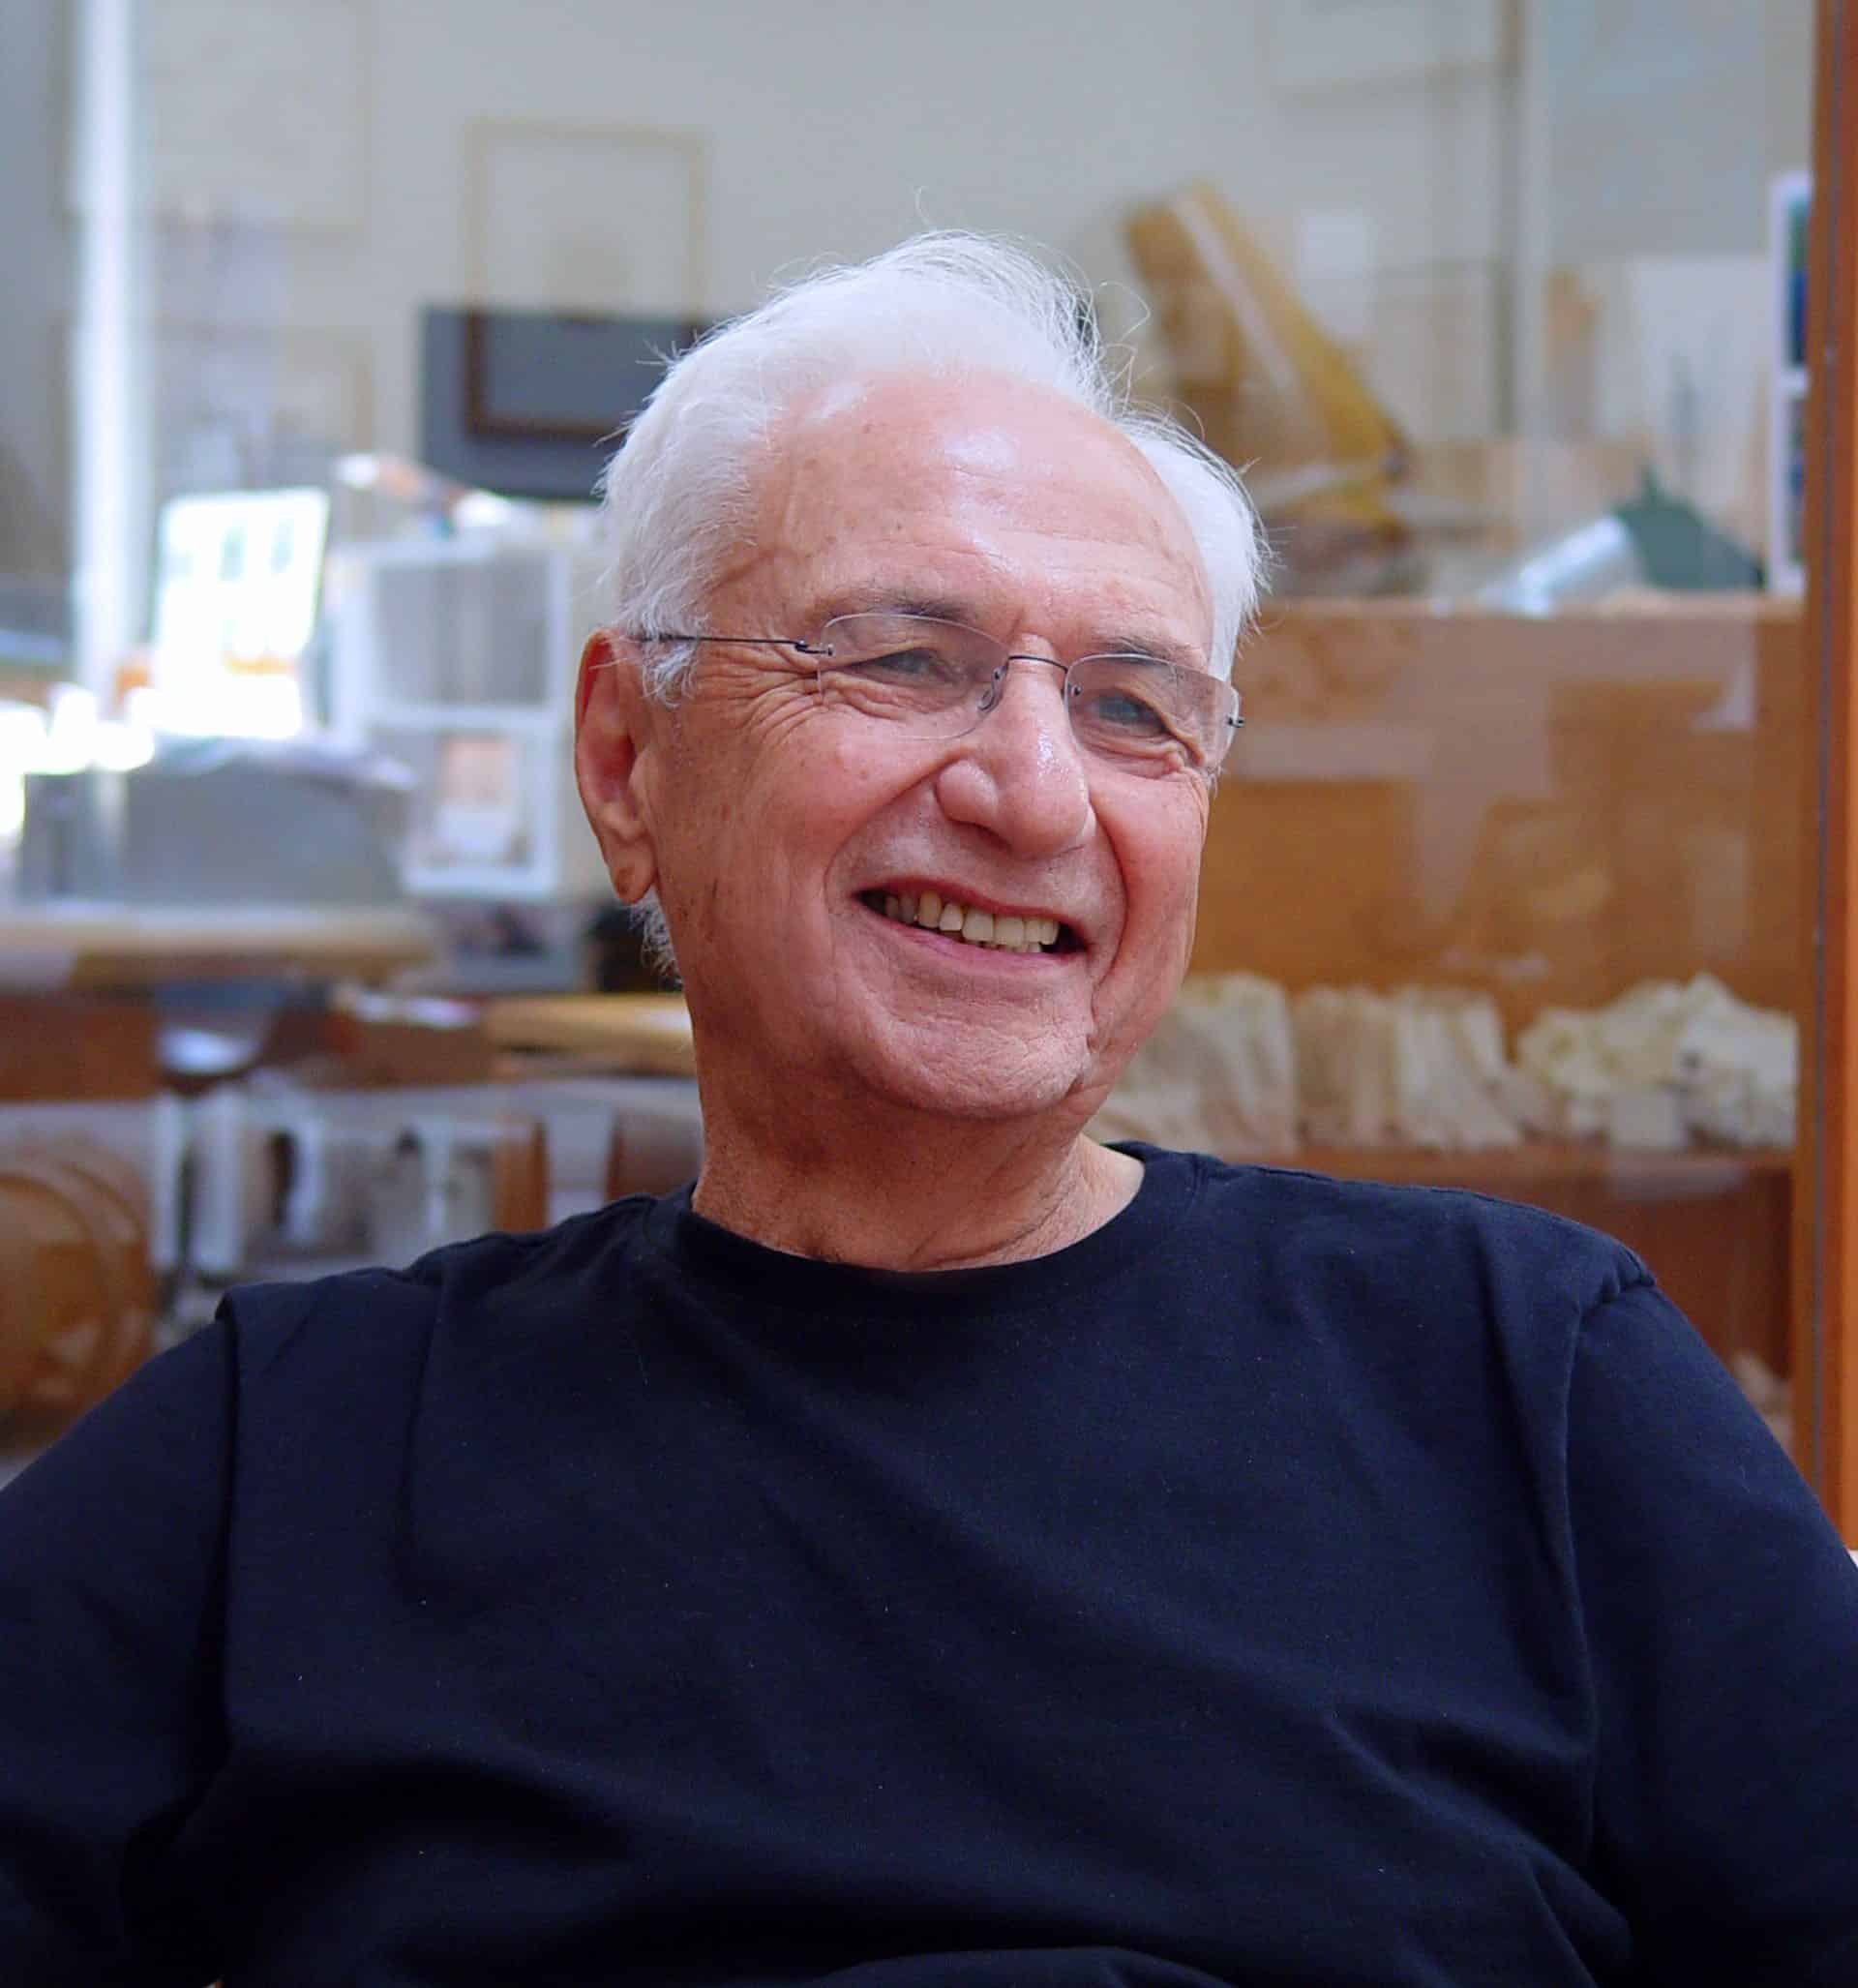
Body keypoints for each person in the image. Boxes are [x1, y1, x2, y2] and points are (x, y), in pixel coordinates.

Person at [3, 235, 1857, 1988]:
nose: (1035, 792)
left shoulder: (1522, 1382)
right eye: (900, 660)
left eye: (1135, 705)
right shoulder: (291, 1458)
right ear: (627, 759)